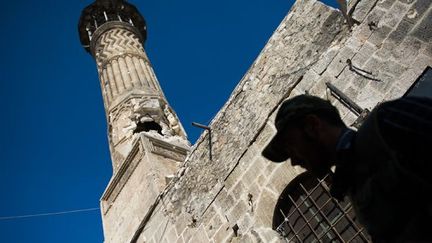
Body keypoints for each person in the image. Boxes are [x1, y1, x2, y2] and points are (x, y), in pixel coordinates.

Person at [262, 94, 432, 242]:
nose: (293, 161)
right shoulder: (354, 187)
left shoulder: (385, 122)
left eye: (292, 147)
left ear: (312, 126)